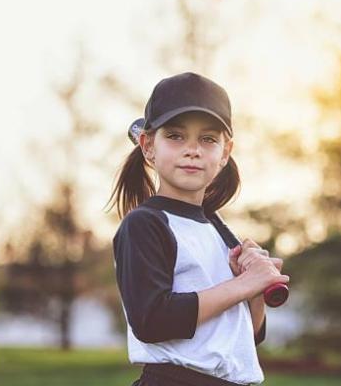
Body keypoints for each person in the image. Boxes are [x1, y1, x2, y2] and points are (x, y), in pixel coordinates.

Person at [108, 72, 290, 386]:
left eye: (208, 139)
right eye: (176, 136)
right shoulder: (146, 224)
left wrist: (256, 291)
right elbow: (152, 321)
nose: (192, 150)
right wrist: (243, 286)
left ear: (225, 152)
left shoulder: (216, 233)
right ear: (148, 146)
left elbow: (248, 335)